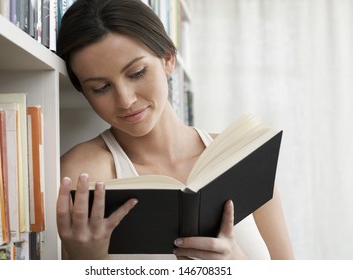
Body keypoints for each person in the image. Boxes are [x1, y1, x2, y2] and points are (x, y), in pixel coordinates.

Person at [56, 0, 294, 260]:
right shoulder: (83, 175)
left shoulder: (243, 156)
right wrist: (86, 261)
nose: (125, 100)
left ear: (168, 59)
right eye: (101, 88)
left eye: (136, 73)